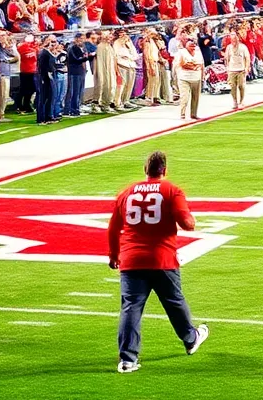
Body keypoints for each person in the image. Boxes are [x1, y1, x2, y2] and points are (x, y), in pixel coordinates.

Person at [107, 150, 209, 373]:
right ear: (164, 170)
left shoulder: (127, 192)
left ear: (146, 170)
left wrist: (114, 255)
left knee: (131, 307)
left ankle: (127, 359)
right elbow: (187, 223)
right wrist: (192, 219)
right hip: (162, 258)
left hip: (132, 259)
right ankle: (190, 338)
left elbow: (114, 227)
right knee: (174, 301)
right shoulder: (171, 190)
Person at [172, 38, 204, 120]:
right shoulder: (182, 52)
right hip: (184, 78)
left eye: (194, 45)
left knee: (196, 97)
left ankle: (194, 114)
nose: (193, 47)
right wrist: (193, 66)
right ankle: (182, 114)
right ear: (186, 46)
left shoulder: (198, 52)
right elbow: (183, 64)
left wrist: (202, 75)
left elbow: (201, 64)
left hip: (196, 77)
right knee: (184, 97)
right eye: (190, 45)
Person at [224, 30, 250, 110]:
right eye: (232, 38)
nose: (234, 40)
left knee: (241, 86)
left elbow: (247, 58)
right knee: (232, 87)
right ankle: (235, 101)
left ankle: (241, 101)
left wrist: (247, 67)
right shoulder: (229, 47)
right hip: (232, 70)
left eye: (235, 38)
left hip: (241, 69)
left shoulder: (243, 47)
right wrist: (227, 68)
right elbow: (226, 58)